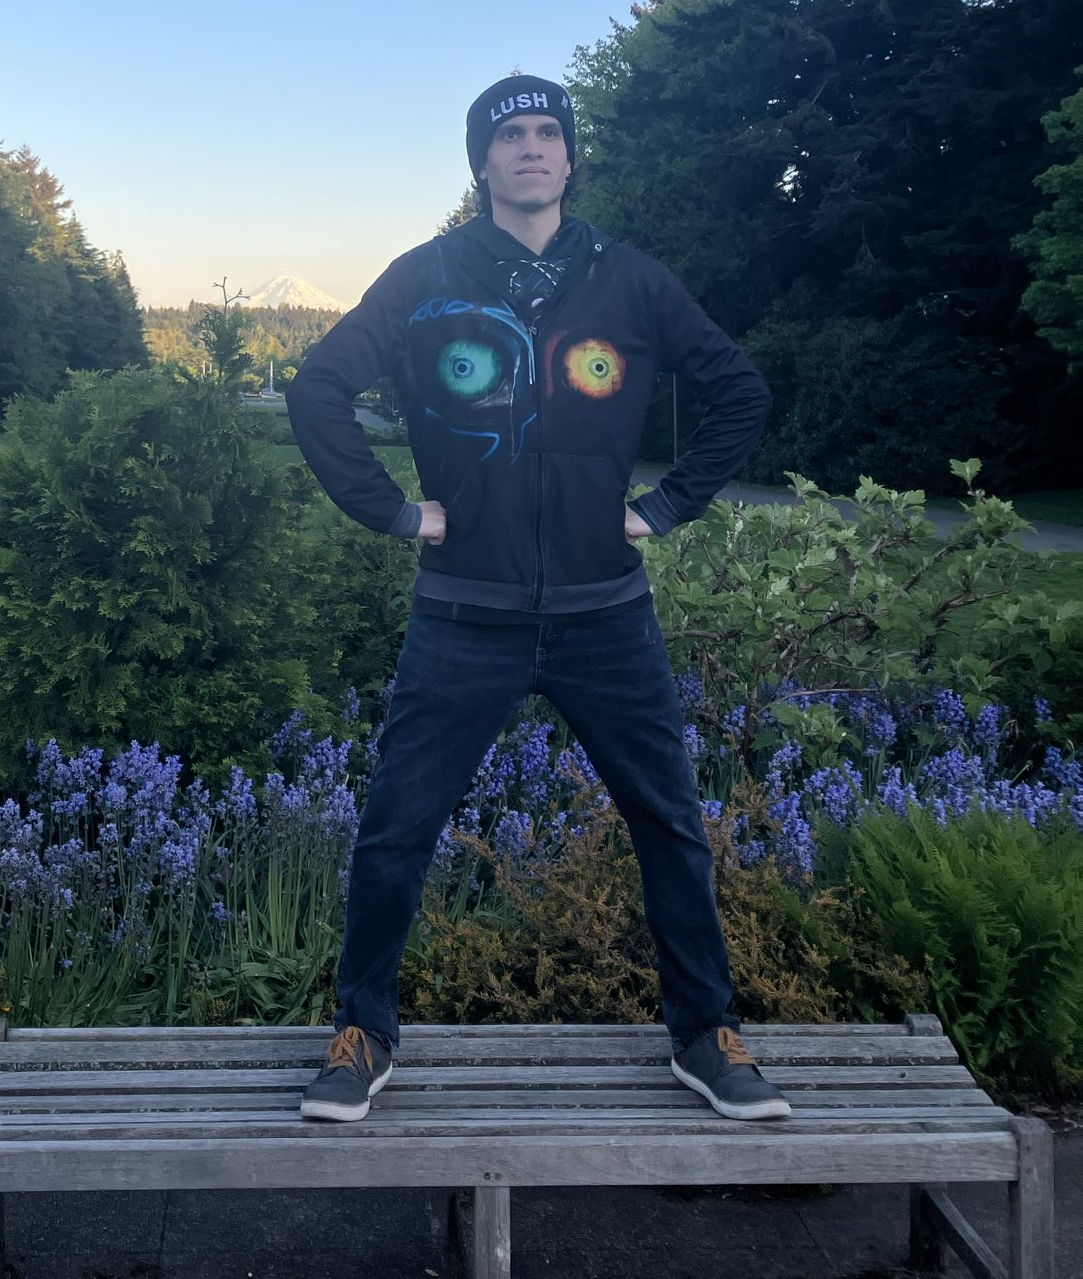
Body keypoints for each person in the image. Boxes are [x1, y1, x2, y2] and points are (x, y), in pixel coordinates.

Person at [286, 75, 790, 1123]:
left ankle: (705, 1033)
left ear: (568, 158)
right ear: (482, 161)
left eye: (547, 133)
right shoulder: (426, 276)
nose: (529, 147)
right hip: (462, 612)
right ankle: (362, 1032)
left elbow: (740, 390)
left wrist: (666, 505)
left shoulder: (630, 279)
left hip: (607, 613)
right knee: (395, 828)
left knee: (670, 823)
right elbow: (318, 387)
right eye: (508, 133)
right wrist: (393, 512)